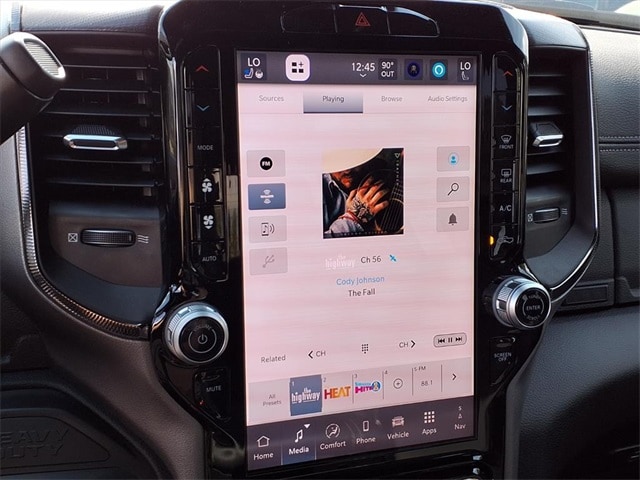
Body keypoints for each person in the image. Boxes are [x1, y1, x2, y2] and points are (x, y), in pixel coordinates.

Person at [323, 168, 390, 238]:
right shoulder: (318, 188)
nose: (347, 171)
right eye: (340, 164)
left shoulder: (378, 173)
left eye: (352, 163)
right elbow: (323, 242)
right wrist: (354, 217)